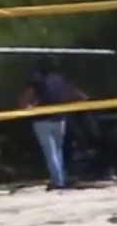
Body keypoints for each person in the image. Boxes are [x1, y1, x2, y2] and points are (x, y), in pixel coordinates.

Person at [17, 58, 87, 190]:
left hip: (43, 120)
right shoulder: (60, 79)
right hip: (60, 119)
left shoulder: (38, 79)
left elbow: (26, 98)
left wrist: (26, 108)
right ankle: (61, 177)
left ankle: (58, 181)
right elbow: (76, 94)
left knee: (51, 152)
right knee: (58, 151)